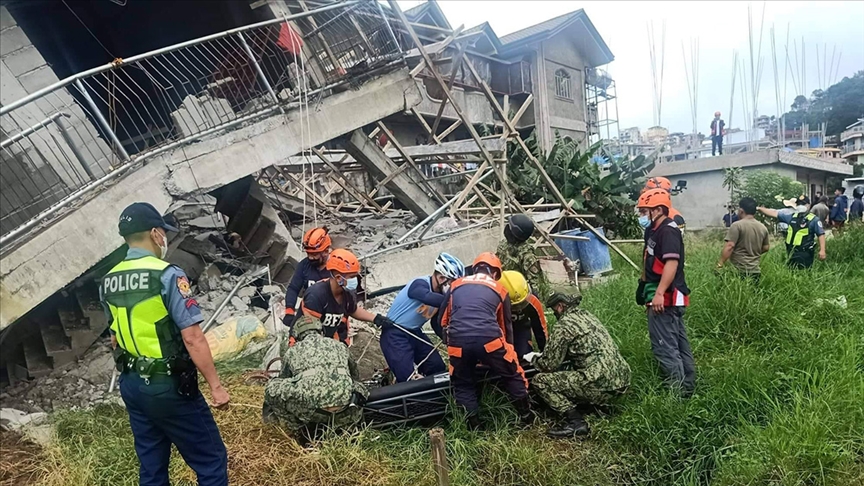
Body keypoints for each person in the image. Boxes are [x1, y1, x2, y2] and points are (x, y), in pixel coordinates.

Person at [101, 203, 228, 486]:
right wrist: (216, 387)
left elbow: (114, 337)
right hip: (167, 385)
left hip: (132, 383)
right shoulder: (167, 274)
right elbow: (192, 337)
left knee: (152, 467)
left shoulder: (109, 280)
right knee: (211, 460)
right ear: (155, 233)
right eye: (163, 233)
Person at [440, 252, 531, 429]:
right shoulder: (500, 290)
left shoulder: (456, 285)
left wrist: (453, 343)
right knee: (512, 374)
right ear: (495, 273)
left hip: (457, 343)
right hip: (490, 341)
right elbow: (505, 328)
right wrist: (506, 356)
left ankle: (474, 427)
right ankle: (526, 417)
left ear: (474, 269)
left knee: (463, 382)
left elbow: (443, 321)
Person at [525, 293, 631, 438]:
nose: (554, 312)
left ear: (560, 306)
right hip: (622, 379)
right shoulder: (588, 316)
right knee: (578, 370)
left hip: (600, 383)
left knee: (540, 381)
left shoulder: (564, 325)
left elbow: (548, 365)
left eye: (554, 309)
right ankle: (594, 406)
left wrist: (533, 359)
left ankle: (576, 422)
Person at [263, 315, 369, 436]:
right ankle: (352, 426)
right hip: (346, 410)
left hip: (312, 413)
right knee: (358, 386)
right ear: (321, 331)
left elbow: (284, 379)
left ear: (297, 335)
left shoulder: (292, 351)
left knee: (273, 387)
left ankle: (295, 429)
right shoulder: (340, 345)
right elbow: (355, 375)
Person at [636, 189, 696, 396]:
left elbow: (671, 263)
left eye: (644, 211)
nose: (641, 216)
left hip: (667, 296)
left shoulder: (668, 231)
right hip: (656, 291)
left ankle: (676, 395)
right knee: (678, 343)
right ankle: (687, 388)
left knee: (665, 347)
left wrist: (660, 293)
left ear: (659, 210)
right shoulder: (652, 230)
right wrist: (643, 287)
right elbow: (648, 259)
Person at [382, 253, 465, 382]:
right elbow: (424, 296)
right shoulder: (420, 284)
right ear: (441, 278)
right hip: (394, 334)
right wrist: (454, 301)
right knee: (406, 378)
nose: (453, 288)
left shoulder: (440, 296)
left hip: (415, 333)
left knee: (436, 367)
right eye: (452, 283)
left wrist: (451, 341)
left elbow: (436, 324)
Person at [293, 248, 395, 345]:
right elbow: (310, 332)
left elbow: (352, 309)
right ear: (338, 278)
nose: (355, 280)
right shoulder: (316, 295)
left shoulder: (347, 291)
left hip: (328, 340)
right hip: (305, 343)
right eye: (352, 277)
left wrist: (376, 319)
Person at [758, 196, 826, 269]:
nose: (800, 206)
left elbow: (821, 234)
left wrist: (822, 250)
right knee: (791, 271)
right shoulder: (792, 216)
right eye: (799, 204)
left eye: (803, 204)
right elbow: (774, 213)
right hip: (791, 252)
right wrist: (759, 209)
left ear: (809, 205)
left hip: (805, 253)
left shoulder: (814, 219)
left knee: (804, 272)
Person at [283, 227, 333, 325]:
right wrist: (289, 311)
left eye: (314, 254)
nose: (310, 257)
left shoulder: (336, 267)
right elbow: (293, 288)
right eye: (308, 253)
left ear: (326, 251)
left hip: (330, 316)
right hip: (308, 314)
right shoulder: (304, 265)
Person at [716, 197, 770, 281]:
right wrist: (752, 253)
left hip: (738, 270)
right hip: (755, 271)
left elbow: (730, 246)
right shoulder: (763, 227)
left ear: (741, 211)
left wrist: (720, 264)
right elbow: (766, 248)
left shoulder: (737, 225)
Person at [499, 270, 548, 360]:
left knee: (524, 357)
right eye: (515, 306)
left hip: (521, 328)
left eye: (521, 304)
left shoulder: (533, 301)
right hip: (498, 330)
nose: (519, 308)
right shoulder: (492, 304)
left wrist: (546, 353)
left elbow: (540, 328)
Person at [497, 214, 549, 298]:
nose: (507, 228)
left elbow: (536, 286)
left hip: (517, 294)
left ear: (516, 232)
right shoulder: (504, 244)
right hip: (501, 287)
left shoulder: (527, 256)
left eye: (510, 227)